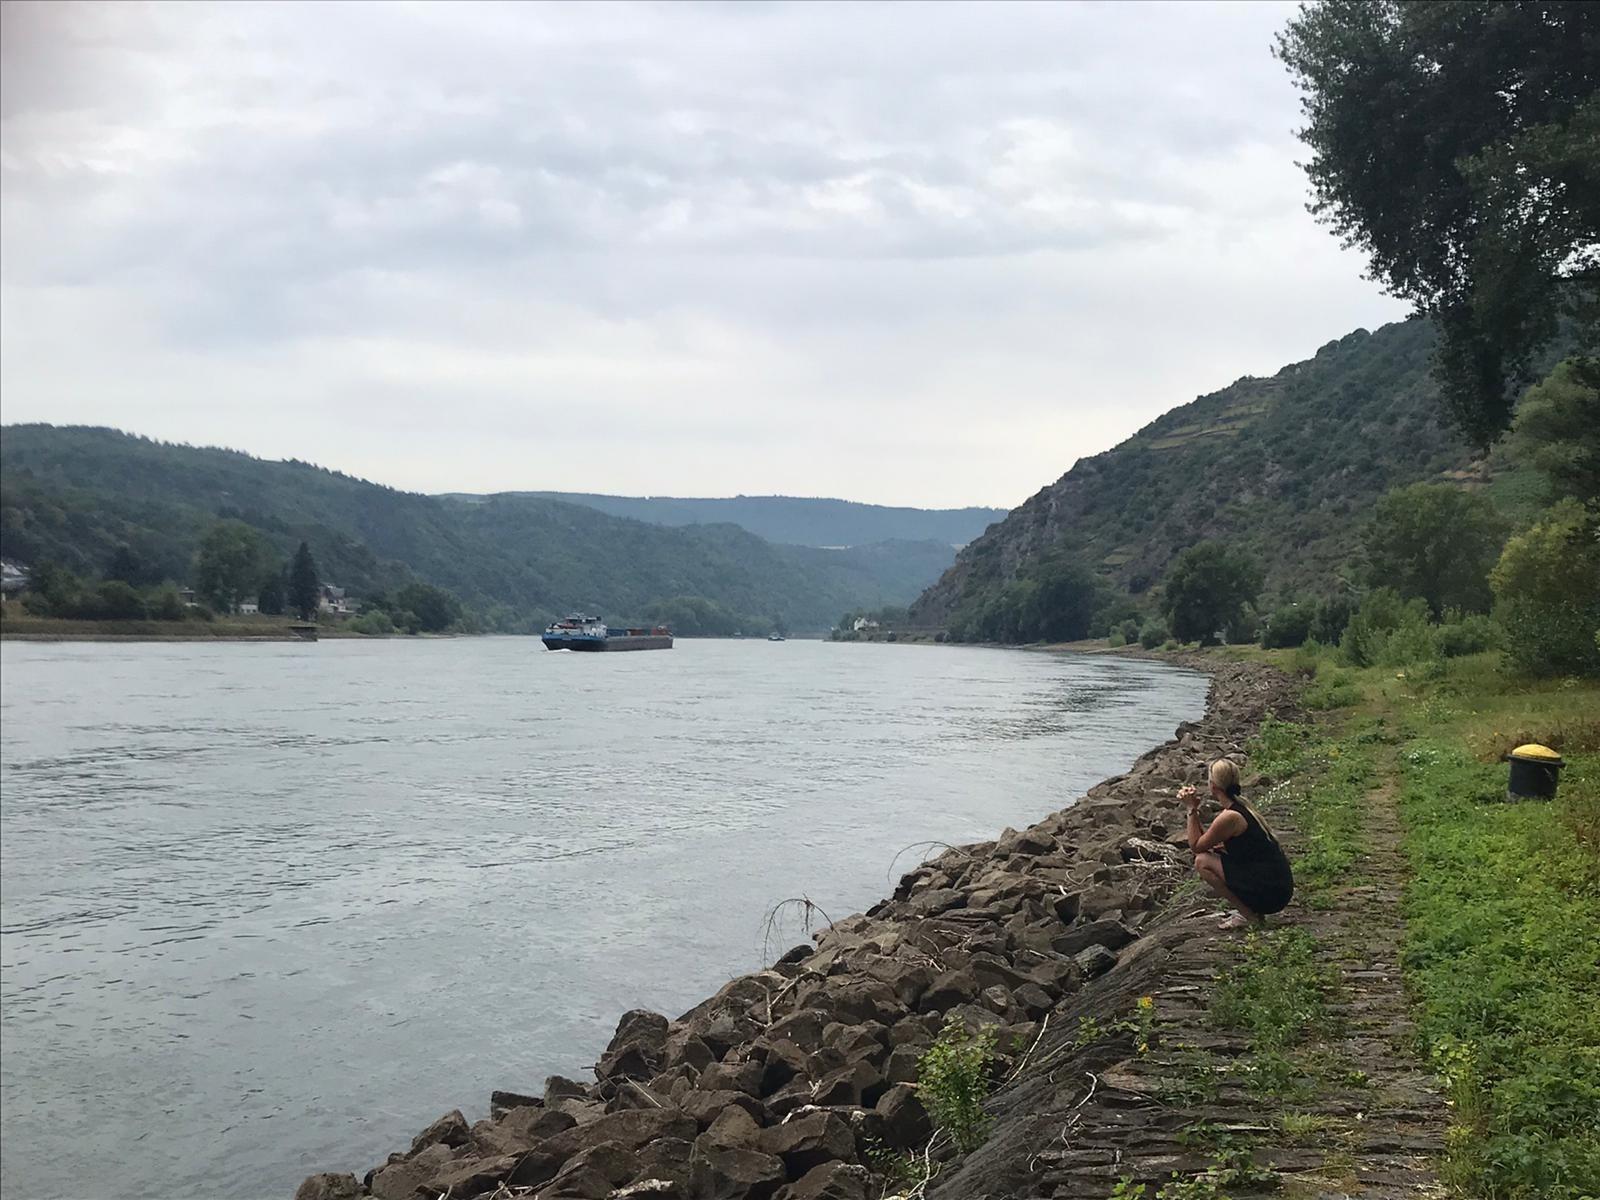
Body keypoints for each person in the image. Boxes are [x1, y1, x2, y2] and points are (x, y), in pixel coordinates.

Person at [1178, 759, 1294, 929]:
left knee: (1202, 861)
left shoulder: (1230, 817)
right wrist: (1194, 809)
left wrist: (1190, 810)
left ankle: (1249, 916)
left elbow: (1196, 846)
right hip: (1278, 887)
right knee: (1211, 854)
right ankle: (1251, 912)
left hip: (1271, 893)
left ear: (1213, 786)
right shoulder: (1241, 807)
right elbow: (1206, 843)